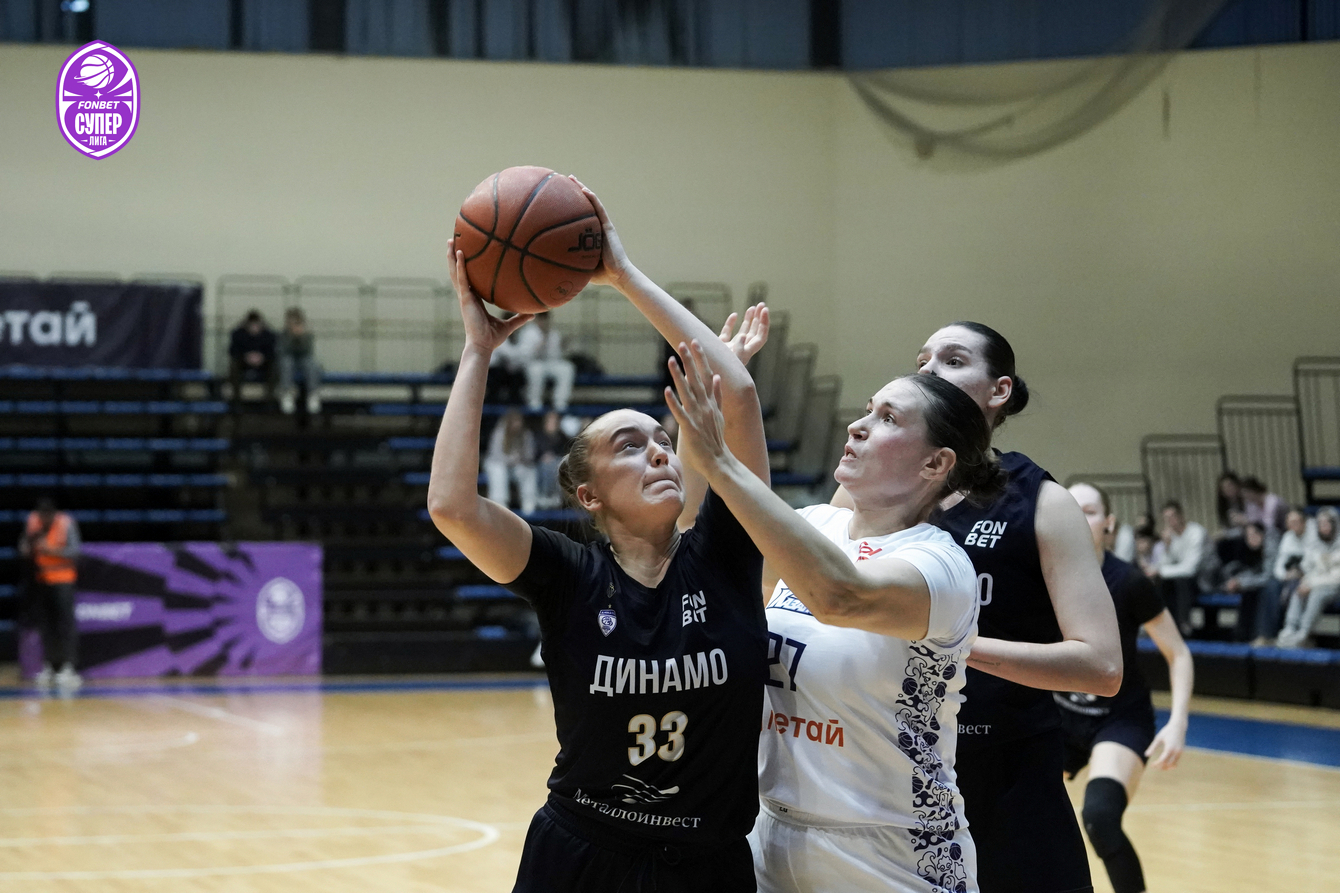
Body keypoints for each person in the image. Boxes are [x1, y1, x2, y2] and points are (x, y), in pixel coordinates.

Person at [426, 180, 772, 892]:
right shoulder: (569, 574)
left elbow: (737, 393)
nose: (658, 453)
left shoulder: (724, 555)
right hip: (580, 855)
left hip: (706, 868)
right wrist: (478, 350)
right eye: (629, 445)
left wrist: (621, 274)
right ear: (588, 495)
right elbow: (453, 507)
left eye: (663, 441)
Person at [668, 345, 1002, 892]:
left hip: (894, 847)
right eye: (868, 410)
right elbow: (694, 527)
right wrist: (708, 398)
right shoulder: (814, 525)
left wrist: (721, 460)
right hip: (770, 832)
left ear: (935, 464)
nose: (858, 425)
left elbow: (838, 597)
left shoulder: (940, 564)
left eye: (888, 418)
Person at [832, 322, 1122, 893]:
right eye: (922, 358)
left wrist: (953, 642)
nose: (929, 368)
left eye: (953, 359)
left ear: (999, 390)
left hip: (1005, 770)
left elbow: (1102, 666)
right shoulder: (862, 491)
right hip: (886, 764)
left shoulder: (1043, 502)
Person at [1060, 483, 1194, 893]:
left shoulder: (1129, 582)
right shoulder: (1041, 578)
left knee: (1100, 818)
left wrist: (1178, 722)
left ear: (1109, 523)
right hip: (1059, 717)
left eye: (1089, 511)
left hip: (1119, 719)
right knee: (1016, 813)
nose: (1079, 519)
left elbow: (1178, 654)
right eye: (1071, 509)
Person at [18, 497, 83, 693]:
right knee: (46, 625)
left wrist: (51, 550)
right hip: (41, 580)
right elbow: (23, 547)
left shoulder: (66, 523)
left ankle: (68, 668)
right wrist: (28, 547)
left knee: (65, 624)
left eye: (47, 516)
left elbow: (75, 551)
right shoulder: (32, 522)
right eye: (41, 516)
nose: (43, 520)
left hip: (63, 580)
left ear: (54, 514)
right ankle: (50, 666)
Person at [1199, 521, 1276, 642]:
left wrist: (1242, 583)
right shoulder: (1247, 549)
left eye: (1254, 534)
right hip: (1254, 584)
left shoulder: (1270, 549)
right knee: (1243, 591)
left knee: (1253, 592)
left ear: (1262, 534)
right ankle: (1237, 635)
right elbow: (1248, 571)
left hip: (1273, 584)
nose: (1251, 538)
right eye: (1248, 536)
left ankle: (1252, 635)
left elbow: (1267, 577)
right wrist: (1237, 581)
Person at [1276, 507, 1340, 649]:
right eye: (1321, 524)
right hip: (1315, 584)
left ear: (1335, 525)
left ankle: (1304, 633)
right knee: (1299, 590)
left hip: (1334, 588)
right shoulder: (1314, 545)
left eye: (1327, 524)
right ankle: (1290, 628)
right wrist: (1306, 582)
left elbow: (1336, 578)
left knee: (1317, 594)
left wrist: (1311, 584)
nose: (1324, 527)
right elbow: (1307, 568)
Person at [1254, 507, 1318, 645]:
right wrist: (1285, 575)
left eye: (1296, 522)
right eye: (1290, 523)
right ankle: (1267, 635)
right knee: (1271, 586)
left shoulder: (1314, 535)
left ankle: (1298, 635)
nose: (1293, 525)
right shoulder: (1288, 537)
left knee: (1295, 588)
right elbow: (1279, 565)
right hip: (1289, 576)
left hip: (1310, 576)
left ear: (1304, 522)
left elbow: (1316, 561)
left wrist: (1301, 573)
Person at [1149, 501, 1207, 636]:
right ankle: (1164, 624)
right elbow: (1165, 565)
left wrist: (1161, 571)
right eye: (1166, 518)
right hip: (1181, 579)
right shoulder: (1170, 537)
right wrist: (1166, 547)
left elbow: (1190, 568)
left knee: (1180, 581)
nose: (1170, 521)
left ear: (1181, 516)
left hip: (1205, 577)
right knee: (1162, 582)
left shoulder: (1196, 532)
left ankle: (1183, 625)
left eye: (1173, 516)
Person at [515, 311, 576, 411]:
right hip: (532, 363)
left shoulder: (553, 333)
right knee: (536, 371)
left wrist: (562, 346)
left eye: (546, 319)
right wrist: (538, 347)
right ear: (537, 319)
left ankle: (560, 402)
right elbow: (523, 355)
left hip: (549, 363)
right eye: (542, 319)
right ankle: (534, 402)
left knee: (567, 368)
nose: (544, 322)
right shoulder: (528, 332)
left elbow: (556, 356)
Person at [485, 407, 540, 516]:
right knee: (499, 470)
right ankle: (500, 503)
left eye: (519, 421)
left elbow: (531, 455)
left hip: (517, 466)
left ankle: (529, 501)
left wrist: (521, 459)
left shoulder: (526, 434)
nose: (517, 424)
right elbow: (495, 455)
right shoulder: (499, 433)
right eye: (514, 421)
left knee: (529, 470)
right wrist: (511, 459)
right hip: (498, 464)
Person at [277, 306, 323, 415]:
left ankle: (313, 395)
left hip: (303, 359)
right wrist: (292, 337)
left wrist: (300, 338)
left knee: (312, 364)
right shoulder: (283, 334)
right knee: (286, 363)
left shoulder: (307, 335)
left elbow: (308, 351)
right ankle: (287, 394)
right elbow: (282, 351)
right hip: (289, 359)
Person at [227, 309, 277, 404]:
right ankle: (236, 397)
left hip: (263, 363)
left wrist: (262, 357)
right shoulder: (238, 334)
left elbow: (273, 352)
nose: (254, 327)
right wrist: (246, 356)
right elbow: (232, 351)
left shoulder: (268, 335)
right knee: (234, 365)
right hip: (244, 362)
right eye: (252, 325)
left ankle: (269, 397)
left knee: (274, 366)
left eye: (256, 325)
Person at [535, 410, 573, 510]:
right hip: (539, 465)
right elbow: (533, 453)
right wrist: (542, 457)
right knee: (545, 466)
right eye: (550, 421)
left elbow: (566, 453)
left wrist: (554, 456)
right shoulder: (538, 436)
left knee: (557, 465)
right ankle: (544, 495)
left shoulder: (563, 437)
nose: (552, 424)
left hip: (556, 462)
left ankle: (555, 496)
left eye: (555, 421)